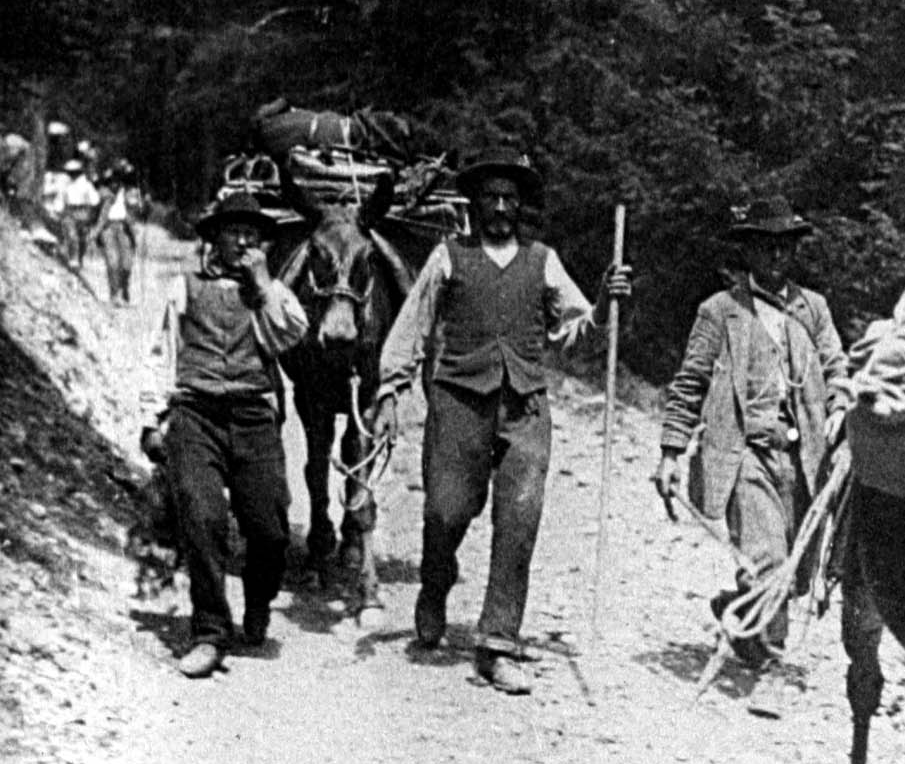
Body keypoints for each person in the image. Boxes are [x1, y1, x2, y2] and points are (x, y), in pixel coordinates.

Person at [371, 148, 633, 694]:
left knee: (520, 516)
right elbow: (411, 326)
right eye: (489, 197)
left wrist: (607, 303)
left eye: (509, 199)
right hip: (459, 400)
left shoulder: (543, 260)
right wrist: (392, 390)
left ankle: (497, 642)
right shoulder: (448, 257)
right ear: (473, 204)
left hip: (525, 406)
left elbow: (576, 327)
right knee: (448, 508)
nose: (499, 208)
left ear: (520, 206)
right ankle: (435, 581)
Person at [653, 195, 849, 687]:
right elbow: (690, 382)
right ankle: (772, 668)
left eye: (785, 247)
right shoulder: (720, 312)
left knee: (800, 575)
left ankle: (741, 613)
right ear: (748, 252)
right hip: (745, 455)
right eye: (765, 247)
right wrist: (672, 451)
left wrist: (841, 405)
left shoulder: (814, 309)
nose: (777, 257)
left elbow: (837, 367)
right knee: (769, 562)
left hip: (803, 458)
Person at [141, 192, 308, 678]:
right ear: (213, 237)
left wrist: (263, 285)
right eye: (233, 231)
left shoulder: (266, 293)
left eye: (252, 234)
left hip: (254, 416)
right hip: (195, 414)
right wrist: (151, 420)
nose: (242, 241)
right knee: (202, 515)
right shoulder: (183, 286)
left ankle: (259, 601)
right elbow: (160, 351)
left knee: (270, 527)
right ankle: (210, 631)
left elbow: (292, 332)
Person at [89, 162, 143, 305]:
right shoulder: (103, 194)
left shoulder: (129, 193)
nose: (115, 183)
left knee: (126, 263)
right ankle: (115, 294)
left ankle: (124, 288)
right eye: (112, 180)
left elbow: (138, 210)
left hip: (124, 228)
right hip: (108, 228)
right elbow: (96, 211)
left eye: (118, 180)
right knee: (112, 262)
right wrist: (95, 231)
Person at [60, 158, 101, 270]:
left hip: (83, 213)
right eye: (70, 172)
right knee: (71, 234)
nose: (71, 175)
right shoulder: (65, 184)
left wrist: (90, 209)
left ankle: (79, 258)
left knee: (82, 238)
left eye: (74, 172)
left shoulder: (87, 185)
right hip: (69, 212)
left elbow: (95, 200)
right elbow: (61, 199)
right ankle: (73, 258)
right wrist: (59, 209)